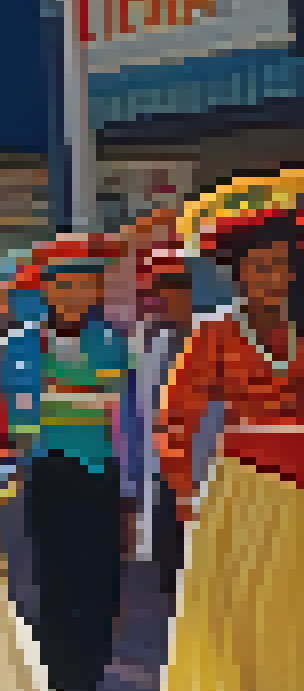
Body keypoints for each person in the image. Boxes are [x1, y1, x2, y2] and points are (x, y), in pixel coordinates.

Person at [150, 202, 304, 691]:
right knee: (257, 621)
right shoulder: (214, 331)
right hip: (246, 488)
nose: (275, 277)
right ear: (239, 274)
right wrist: (184, 488)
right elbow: (177, 416)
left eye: (283, 266)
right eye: (262, 267)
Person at [0, 234, 135, 691]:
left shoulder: (115, 342)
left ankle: (86, 679)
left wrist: (131, 482)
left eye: (86, 284)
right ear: (47, 290)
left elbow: (126, 418)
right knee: (54, 579)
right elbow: (17, 413)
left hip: (101, 473)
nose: (75, 294)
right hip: (47, 472)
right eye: (66, 284)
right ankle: (60, 684)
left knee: (101, 580)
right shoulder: (21, 343)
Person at [129, 246, 196, 594]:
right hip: (162, 464)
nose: (168, 299)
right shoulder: (151, 344)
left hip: (202, 462)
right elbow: (137, 413)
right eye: (161, 290)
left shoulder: (206, 338)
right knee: (169, 563)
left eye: (176, 289)